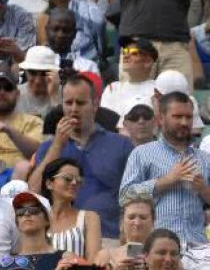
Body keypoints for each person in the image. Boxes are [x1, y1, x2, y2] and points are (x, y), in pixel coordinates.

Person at [29, 75, 134, 241]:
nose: (74, 109)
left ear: (96, 104)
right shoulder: (49, 148)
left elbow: (135, 195)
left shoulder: (121, 145)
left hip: (107, 237)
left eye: (81, 103)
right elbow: (33, 192)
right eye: (68, 103)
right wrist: (57, 146)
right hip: (62, 238)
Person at [119, 92, 210, 245]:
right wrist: (167, 180)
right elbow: (125, 196)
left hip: (197, 245)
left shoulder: (205, 159)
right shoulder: (142, 153)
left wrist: (204, 189)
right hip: (156, 246)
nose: (184, 122)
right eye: (178, 116)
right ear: (160, 119)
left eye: (188, 117)